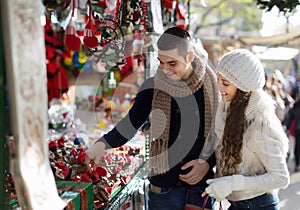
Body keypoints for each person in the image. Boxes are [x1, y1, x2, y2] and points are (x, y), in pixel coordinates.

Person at [85, 27, 220, 210]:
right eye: (161, 62)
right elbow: (130, 123)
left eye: (172, 64)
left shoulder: (212, 87)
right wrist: (101, 144)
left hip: (199, 189)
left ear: (189, 57)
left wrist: (207, 163)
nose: (165, 70)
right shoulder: (153, 86)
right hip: (163, 189)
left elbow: (222, 133)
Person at [202, 49, 290, 209]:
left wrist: (232, 183)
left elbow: (281, 178)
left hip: (260, 205)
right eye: (218, 79)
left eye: (225, 83)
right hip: (237, 204)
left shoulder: (261, 123)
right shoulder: (225, 110)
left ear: (244, 87)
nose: (218, 86)